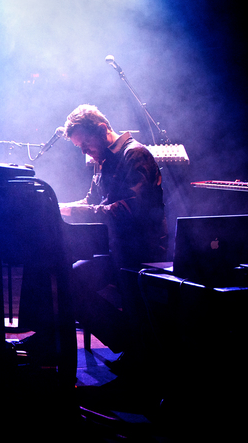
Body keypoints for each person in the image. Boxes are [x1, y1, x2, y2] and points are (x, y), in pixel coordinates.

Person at [59, 104, 166, 356]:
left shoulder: (135, 154)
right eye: (80, 148)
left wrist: (72, 211)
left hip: (142, 252)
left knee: (73, 280)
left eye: (85, 144)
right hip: (116, 249)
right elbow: (92, 201)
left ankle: (135, 350)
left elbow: (128, 209)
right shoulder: (103, 159)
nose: (84, 151)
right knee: (67, 281)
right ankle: (128, 344)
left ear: (102, 129)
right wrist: (58, 205)